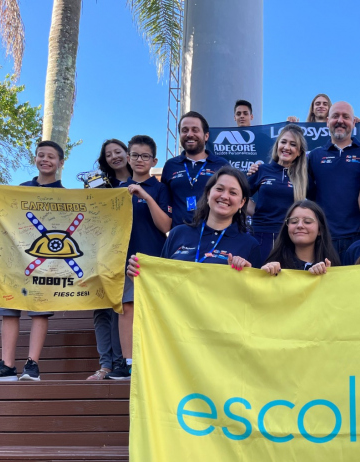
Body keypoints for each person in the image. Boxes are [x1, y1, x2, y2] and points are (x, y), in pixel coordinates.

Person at [0, 141, 66, 381]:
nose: (45, 159)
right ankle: (7, 365)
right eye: (40, 155)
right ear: (35, 159)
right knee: (8, 307)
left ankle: (32, 364)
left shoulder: (66, 195)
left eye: (51, 156)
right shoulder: (21, 188)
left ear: (60, 163)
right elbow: (1, 208)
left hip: (46, 263)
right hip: (14, 259)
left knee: (40, 310)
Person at [111, 135, 172, 380]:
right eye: (135, 155)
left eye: (145, 156)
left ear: (154, 160)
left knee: (153, 309)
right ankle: (128, 363)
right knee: (127, 307)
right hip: (123, 258)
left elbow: (166, 224)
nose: (139, 160)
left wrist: (145, 197)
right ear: (128, 157)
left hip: (154, 256)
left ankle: (154, 361)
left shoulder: (160, 188)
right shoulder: (116, 190)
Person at [128, 166, 260, 277]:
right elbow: (161, 281)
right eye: (219, 189)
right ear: (208, 194)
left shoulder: (249, 245)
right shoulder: (178, 234)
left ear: (242, 203)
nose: (224, 196)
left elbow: (252, 299)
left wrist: (246, 275)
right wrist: (141, 278)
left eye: (233, 193)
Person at [307, 101, 360, 259]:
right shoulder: (315, 156)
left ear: (353, 122)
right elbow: (308, 197)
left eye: (346, 117)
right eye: (335, 116)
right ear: (327, 122)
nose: (340, 121)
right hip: (324, 239)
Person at [87, 139, 131, 380]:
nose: (114, 156)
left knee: (120, 308)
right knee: (101, 309)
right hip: (101, 253)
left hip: (131, 253)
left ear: (127, 153)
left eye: (118, 151)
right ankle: (105, 365)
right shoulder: (99, 184)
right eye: (108, 154)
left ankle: (120, 363)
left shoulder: (141, 181)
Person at [247, 124, 308, 260]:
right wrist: (257, 212)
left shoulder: (303, 177)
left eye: (293, 144)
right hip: (260, 234)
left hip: (289, 238)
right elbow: (240, 196)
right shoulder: (261, 170)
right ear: (277, 145)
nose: (287, 147)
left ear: (299, 152)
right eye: (283, 142)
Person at [161, 111, 229, 227]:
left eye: (195, 130)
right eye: (184, 130)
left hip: (213, 235)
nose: (189, 134)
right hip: (180, 237)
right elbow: (165, 203)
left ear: (206, 136)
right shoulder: (170, 165)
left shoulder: (221, 164)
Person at [261, 200, 340, 275]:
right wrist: (264, 274)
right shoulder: (275, 266)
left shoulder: (333, 267)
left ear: (320, 230)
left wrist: (328, 275)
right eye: (294, 221)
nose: (300, 226)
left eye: (307, 221)